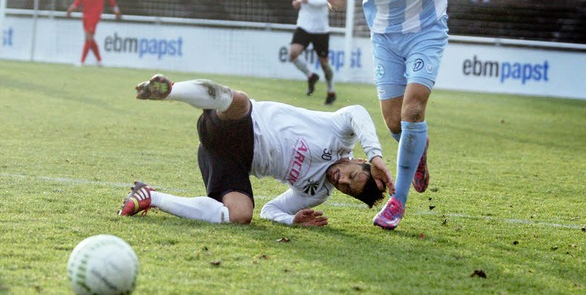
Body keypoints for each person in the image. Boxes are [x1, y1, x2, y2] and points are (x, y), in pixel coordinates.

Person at [322, 0, 487, 230]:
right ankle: (419, 151)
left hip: (427, 29)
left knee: (413, 109)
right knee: (396, 122)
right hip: (385, 36)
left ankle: (398, 201)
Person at [118, 74, 395, 226]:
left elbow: (270, 210)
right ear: (359, 160)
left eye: (347, 189)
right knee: (238, 100)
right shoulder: (339, 134)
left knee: (240, 215)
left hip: (227, 159)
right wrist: (376, 154)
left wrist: (291, 220)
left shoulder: (317, 193)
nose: (342, 181)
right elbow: (357, 112)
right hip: (240, 123)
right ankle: (170, 91)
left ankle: (150, 197)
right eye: (352, 176)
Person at [289, 0, 337, 105]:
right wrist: (298, 2)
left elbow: (327, 1)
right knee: (293, 53)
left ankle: (331, 91)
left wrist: (306, 1)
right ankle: (311, 75)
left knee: (324, 63)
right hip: (303, 24)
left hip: (320, 28)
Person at [66, 0, 121, 66]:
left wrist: (115, 9)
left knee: (88, 36)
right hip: (85, 14)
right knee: (90, 38)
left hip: (95, 14)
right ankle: (99, 61)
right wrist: (72, 7)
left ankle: (81, 62)